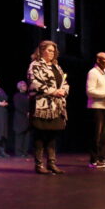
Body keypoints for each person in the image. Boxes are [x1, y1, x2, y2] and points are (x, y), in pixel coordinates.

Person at [27, 40, 69, 174]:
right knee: (40, 135)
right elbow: (34, 82)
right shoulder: (35, 65)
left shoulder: (57, 66)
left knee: (52, 135)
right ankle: (39, 165)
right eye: (49, 50)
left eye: (53, 51)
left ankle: (51, 163)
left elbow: (64, 82)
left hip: (56, 106)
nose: (52, 53)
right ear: (41, 50)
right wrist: (53, 91)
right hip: (42, 106)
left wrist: (63, 91)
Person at [12, 80, 31, 157]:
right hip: (20, 118)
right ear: (19, 87)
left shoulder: (28, 95)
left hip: (27, 119)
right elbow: (17, 106)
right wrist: (26, 112)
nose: (25, 86)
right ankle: (19, 153)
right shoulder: (17, 96)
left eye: (25, 85)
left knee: (27, 136)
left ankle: (25, 152)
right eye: (23, 85)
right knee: (19, 136)